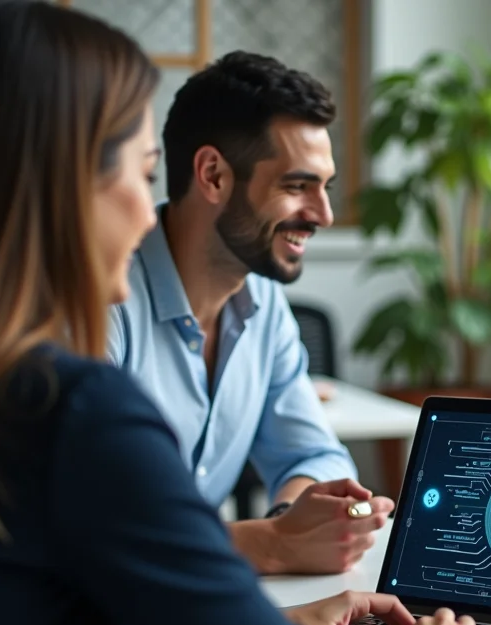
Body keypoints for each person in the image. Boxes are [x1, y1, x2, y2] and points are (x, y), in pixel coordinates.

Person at [0, 3, 491, 625]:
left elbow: (26, 617)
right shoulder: (70, 408)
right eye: (143, 172)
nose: (145, 211)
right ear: (56, 186)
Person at [107, 50, 378, 576]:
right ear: (212, 175)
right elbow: (87, 526)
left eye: (326, 187)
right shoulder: (104, 300)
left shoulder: (265, 303)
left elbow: (311, 455)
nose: (322, 214)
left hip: (192, 609)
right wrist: (271, 543)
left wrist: (294, 520)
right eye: (297, 186)